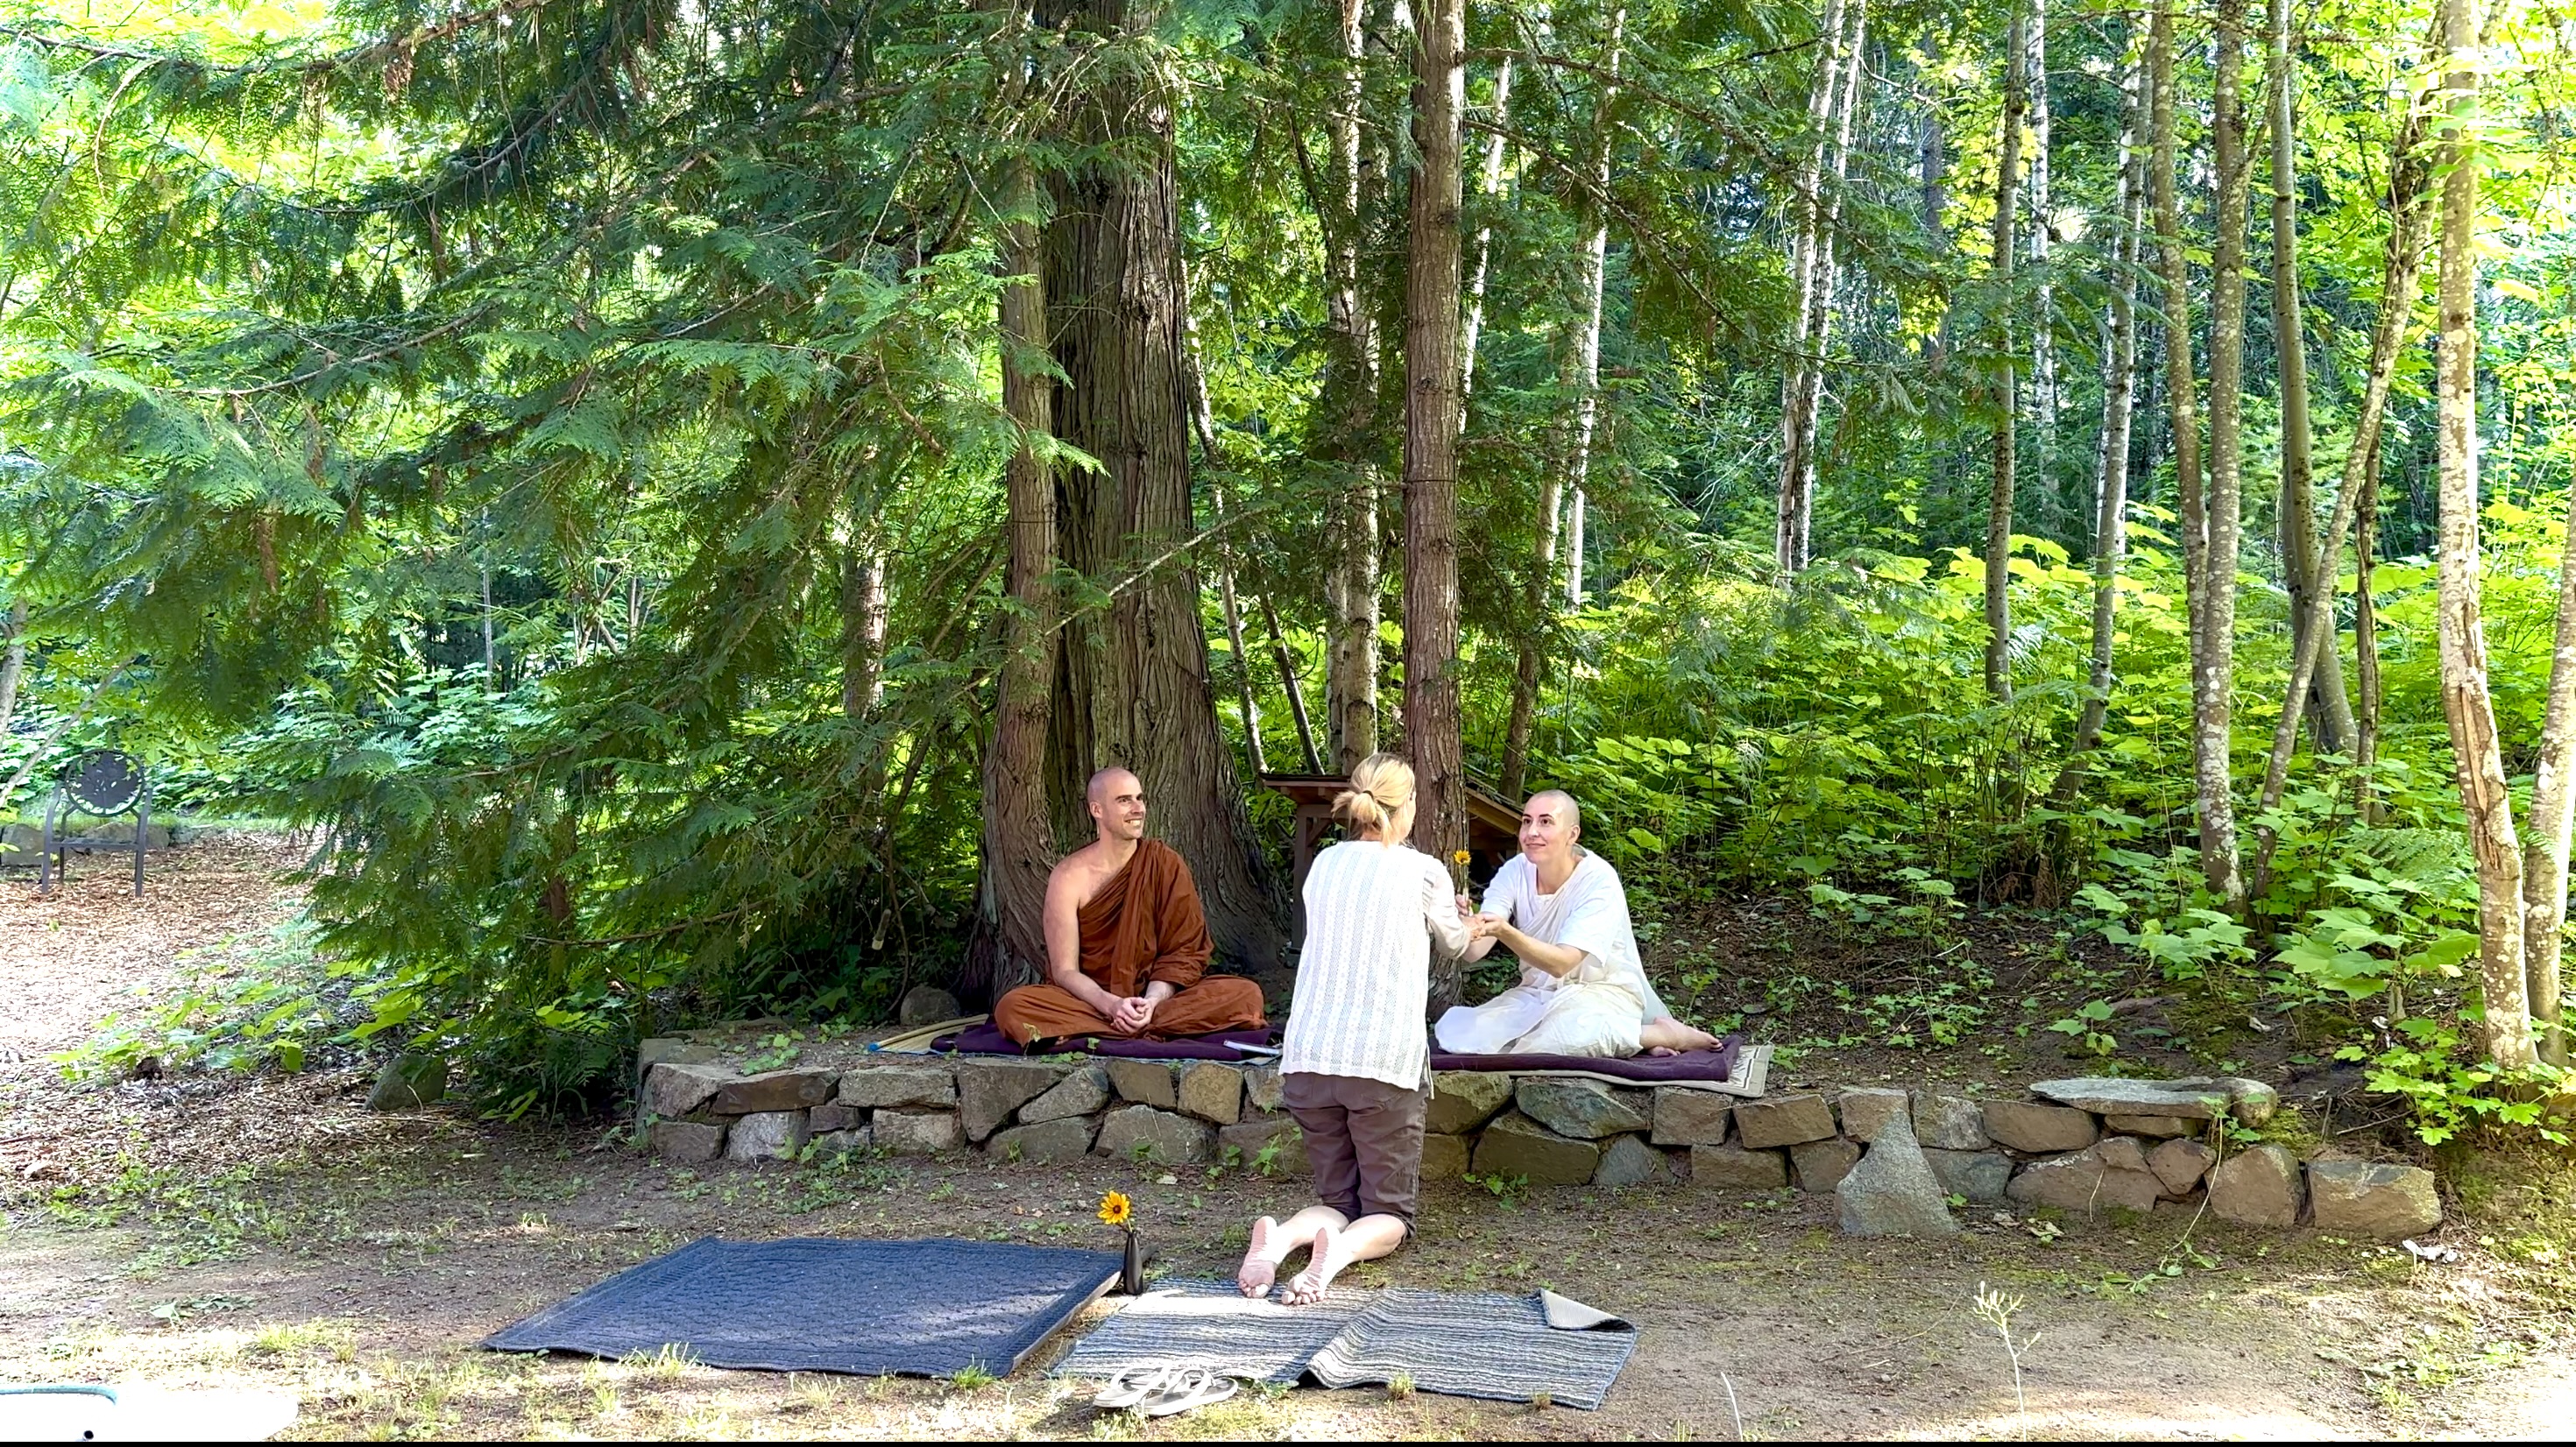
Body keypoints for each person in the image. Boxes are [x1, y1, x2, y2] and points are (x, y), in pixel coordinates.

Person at [1237, 753, 1469, 1304]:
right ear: (1405, 805)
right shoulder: (1424, 871)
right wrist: (1470, 920)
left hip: (1310, 1057)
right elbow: (1459, 945)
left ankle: (1281, 1240)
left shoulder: (1325, 864)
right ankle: (1335, 1256)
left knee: (1337, 1202)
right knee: (1389, 1213)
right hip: (1381, 1063)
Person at [1433, 789, 1720, 1058]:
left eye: (1546, 822)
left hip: (1602, 993)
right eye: (1527, 821)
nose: (1532, 832)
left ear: (1572, 834)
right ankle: (1627, 1040)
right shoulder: (1514, 871)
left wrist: (1504, 930)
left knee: (1561, 1037)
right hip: (1538, 994)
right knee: (1460, 1032)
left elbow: (1562, 963)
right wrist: (1461, 922)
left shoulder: (1598, 880)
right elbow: (1475, 951)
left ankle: (1661, 1034)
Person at [990, 767, 1269, 1045]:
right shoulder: (1068, 877)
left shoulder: (1164, 864)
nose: (1138, 809)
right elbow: (1065, 971)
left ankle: (1119, 1025)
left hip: (1155, 999)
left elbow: (1182, 953)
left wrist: (1151, 1002)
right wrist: (1112, 1005)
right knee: (1013, 1007)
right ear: (1097, 810)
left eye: (1140, 798)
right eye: (1124, 800)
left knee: (1246, 994)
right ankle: (1134, 1024)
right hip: (1091, 1000)